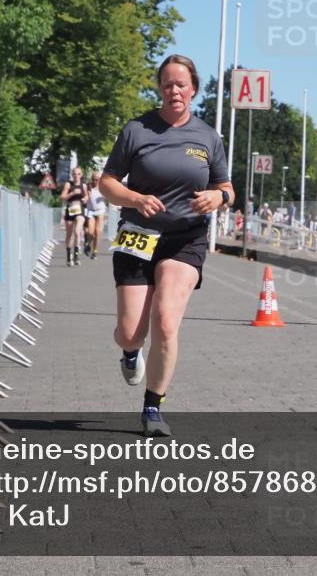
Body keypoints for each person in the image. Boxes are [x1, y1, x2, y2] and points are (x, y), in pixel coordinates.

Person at [99, 54, 234, 437]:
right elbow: (106, 183)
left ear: (193, 89)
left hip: (185, 237)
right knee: (130, 332)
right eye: (167, 83)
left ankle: (153, 406)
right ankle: (129, 352)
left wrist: (217, 199)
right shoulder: (137, 130)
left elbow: (227, 189)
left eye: (181, 84)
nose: (174, 90)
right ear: (160, 88)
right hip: (137, 233)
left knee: (166, 321)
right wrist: (135, 198)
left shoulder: (208, 137)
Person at [60, 167, 89, 266]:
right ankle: (69, 256)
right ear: (72, 175)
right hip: (70, 209)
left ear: (81, 175)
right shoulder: (69, 184)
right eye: (74, 174)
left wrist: (85, 198)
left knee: (77, 231)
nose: (76, 176)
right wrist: (72, 193)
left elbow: (87, 196)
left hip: (80, 210)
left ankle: (76, 255)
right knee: (69, 234)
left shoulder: (83, 185)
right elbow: (62, 197)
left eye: (78, 174)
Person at [84, 171, 107, 259]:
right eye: (93, 179)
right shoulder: (88, 187)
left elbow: (109, 197)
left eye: (97, 180)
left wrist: (105, 196)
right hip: (90, 211)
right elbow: (85, 196)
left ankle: (95, 251)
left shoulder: (103, 187)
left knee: (97, 232)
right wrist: (87, 195)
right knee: (90, 231)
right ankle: (88, 244)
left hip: (100, 210)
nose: (95, 181)